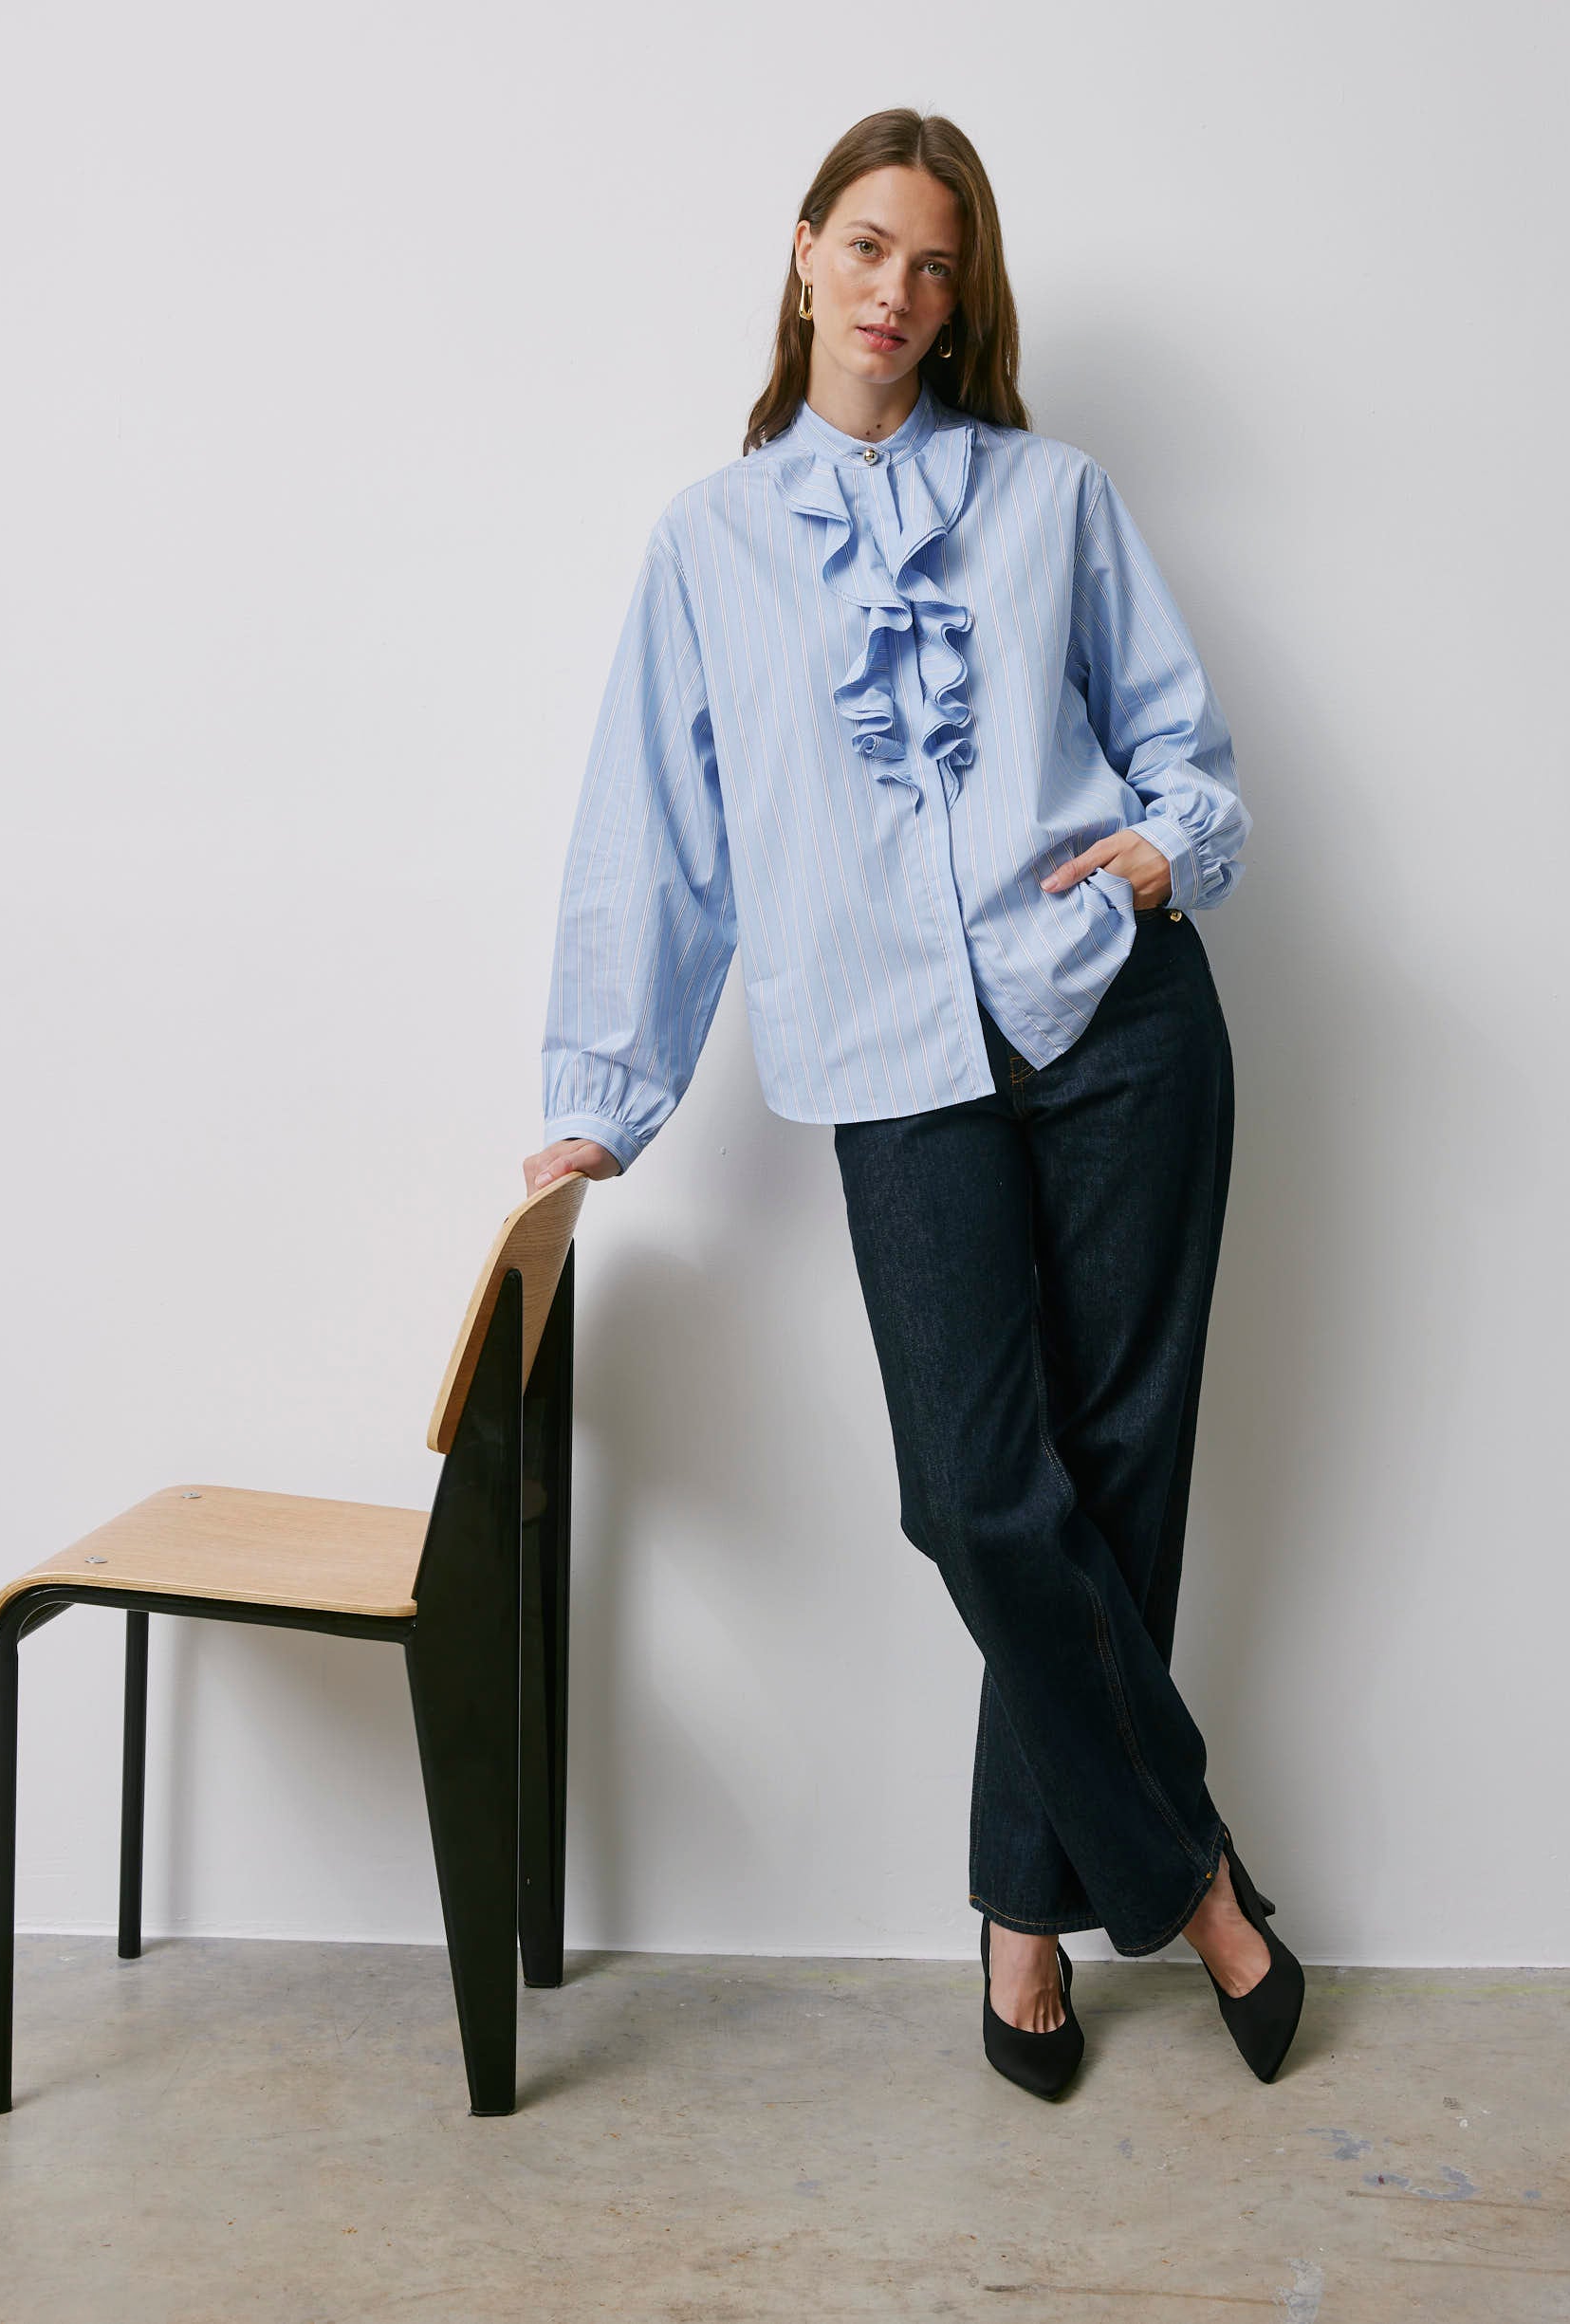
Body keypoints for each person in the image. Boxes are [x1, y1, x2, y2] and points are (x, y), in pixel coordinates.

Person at [524, 107, 1304, 2099]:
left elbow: (1185, 752)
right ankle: (1195, 1878)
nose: (896, 290)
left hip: (1119, 1021)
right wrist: (605, 1092)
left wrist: (1162, 853)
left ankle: (1021, 1921)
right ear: (803, 256)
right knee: (971, 1493)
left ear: (963, 303)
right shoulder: (707, 543)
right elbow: (657, 839)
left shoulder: (1054, 498)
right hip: (891, 1060)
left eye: (934, 265)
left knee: (1111, 1481)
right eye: (868, 246)